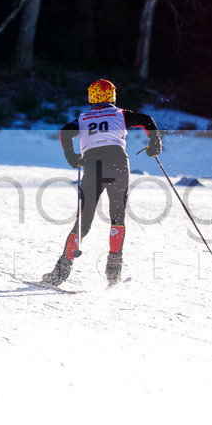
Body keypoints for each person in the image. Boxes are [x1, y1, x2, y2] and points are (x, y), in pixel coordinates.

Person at [41, 78, 162, 287]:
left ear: (91, 96)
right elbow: (147, 120)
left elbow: (65, 133)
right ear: (112, 96)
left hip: (92, 165)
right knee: (117, 217)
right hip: (118, 163)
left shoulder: (83, 118)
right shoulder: (121, 114)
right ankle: (113, 274)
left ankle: (60, 273)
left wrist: (72, 157)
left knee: (83, 222)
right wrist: (154, 142)